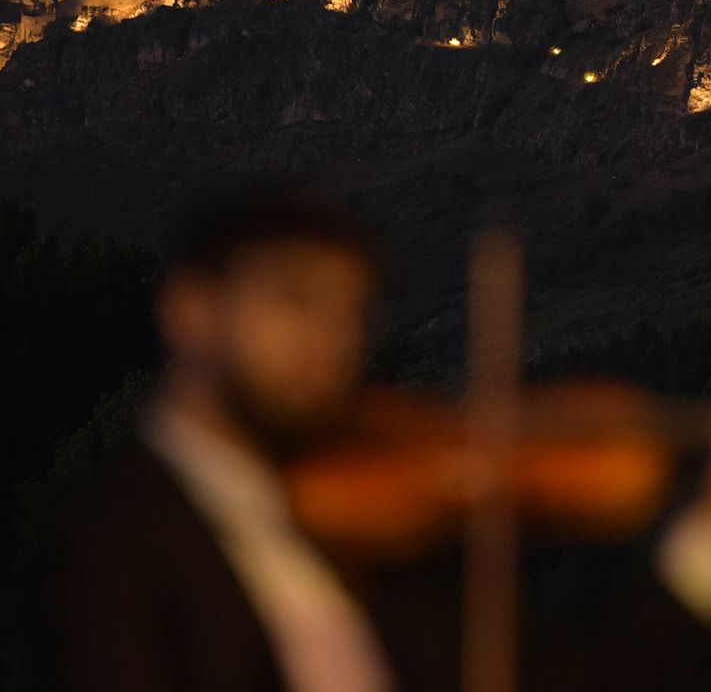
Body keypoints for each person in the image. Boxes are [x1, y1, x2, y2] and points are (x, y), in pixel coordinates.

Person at [57, 188, 453, 692]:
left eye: (353, 313)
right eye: (297, 299)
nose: (337, 341)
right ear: (191, 310)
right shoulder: (113, 542)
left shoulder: (358, 521)